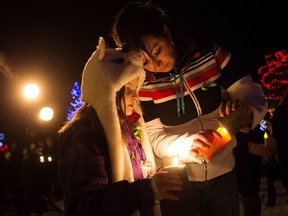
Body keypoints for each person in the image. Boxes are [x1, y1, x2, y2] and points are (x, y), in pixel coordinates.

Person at [111, 1, 268, 215]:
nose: (157, 64)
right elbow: (155, 137)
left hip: (224, 175)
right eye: (146, 62)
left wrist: (246, 111)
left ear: (166, 31)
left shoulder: (209, 54)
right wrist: (188, 144)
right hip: (178, 181)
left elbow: (250, 90)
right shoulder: (145, 84)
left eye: (157, 51)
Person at [57, 37, 183, 216]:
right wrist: (149, 189)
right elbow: (84, 206)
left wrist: (155, 178)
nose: (135, 97)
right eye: (128, 90)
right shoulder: (87, 136)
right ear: (108, 90)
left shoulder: (130, 130)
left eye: (136, 90)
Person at [270, 88, 288, 200]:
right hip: (283, 143)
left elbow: (275, 128)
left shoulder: (280, 110)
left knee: (285, 170)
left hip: (283, 145)